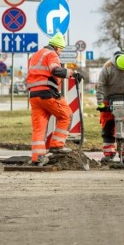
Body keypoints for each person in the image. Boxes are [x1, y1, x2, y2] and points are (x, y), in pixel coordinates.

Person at [26, 32, 82, 166]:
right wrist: (72, 73)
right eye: (61, 50)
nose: (60, 53)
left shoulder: (36, 55)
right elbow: (55, 70)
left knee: (39, 128)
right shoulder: (51, 54)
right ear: (57, 47)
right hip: (48, 94)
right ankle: (57, 145)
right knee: (66, 115)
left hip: (34, 96)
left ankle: (37, 157)